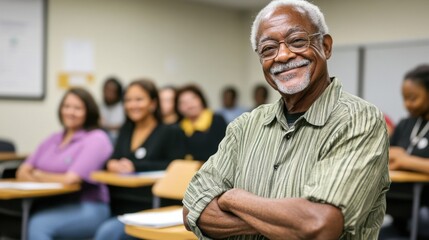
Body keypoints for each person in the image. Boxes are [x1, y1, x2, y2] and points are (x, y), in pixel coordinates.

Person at [182, 0, 390, 239]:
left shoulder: (358, 120)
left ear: (326, 46)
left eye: (298, 41)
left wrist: (232, 198)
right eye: (268, 49)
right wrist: (285, 222)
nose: (283, 55)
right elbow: (191, 210)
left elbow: (319, 224)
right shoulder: (245, 125)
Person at [94, 79, 186, 240]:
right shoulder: (126, 129)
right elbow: (114, 157)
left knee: (106, 233)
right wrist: (111, 163)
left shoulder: (169, 132)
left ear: (153, 103)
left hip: (149, 207)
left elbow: (174, 166)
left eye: (139, 99)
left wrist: (135, 166)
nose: (132, 105)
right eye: (128, 100)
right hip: (116, 204)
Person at [16, 87, 113, 240]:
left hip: (88, 207)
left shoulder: (97, 139)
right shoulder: (54, 138)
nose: (70, 112)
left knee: (39, 225)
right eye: (66, 106)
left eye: (77, 108)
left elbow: (71, 179)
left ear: (89, 111)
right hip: (50, 204)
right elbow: (22, 171)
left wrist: (38, 174)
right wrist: (38, 175)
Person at [381, 64, 429, 239]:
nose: (407, 104)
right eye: (405, 98)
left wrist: (405, 160)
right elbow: (388, 157)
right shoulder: (405, 124)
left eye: (413, 98)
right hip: (400, 207)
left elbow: (398, 158)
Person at [175, 84, 227, 161]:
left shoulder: (216, 120)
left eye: (192, 99)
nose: (189, 105)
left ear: (201, 100)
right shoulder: (178, 127)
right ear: (178, 108)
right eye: (183, 102)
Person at [100, 76, 125, 143]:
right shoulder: (99, 106)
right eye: (107, 91)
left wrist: (106, 126)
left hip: (118, 139)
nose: (109, 95)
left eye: (112, 92)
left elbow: (123, 126)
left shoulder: (124, 107)